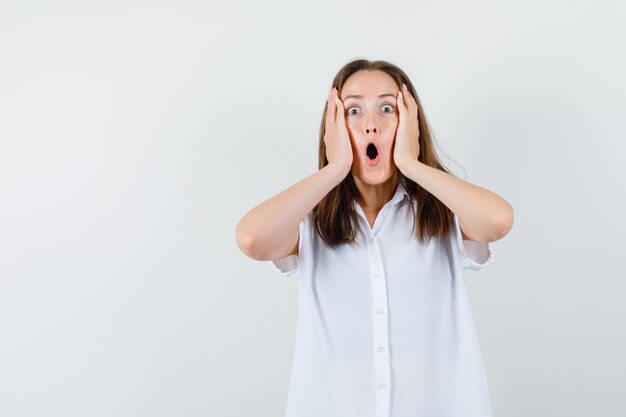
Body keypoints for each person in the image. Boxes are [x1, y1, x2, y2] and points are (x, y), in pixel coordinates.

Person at [235, 58, 514, 417]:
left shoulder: (441, 215)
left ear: (409, 123)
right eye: (353, 111)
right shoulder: (310, 223)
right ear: (333, 128)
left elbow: (498, 219)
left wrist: (412, 163)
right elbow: (251, 238)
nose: (371, 125)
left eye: (387, 108)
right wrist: (335, 168)